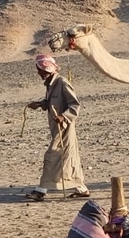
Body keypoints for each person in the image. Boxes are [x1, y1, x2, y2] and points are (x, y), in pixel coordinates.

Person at [24, 53, 91, 201]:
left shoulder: (62, 82)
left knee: (51, 156)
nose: (38, 73)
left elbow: (74, 105)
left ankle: (41, 190)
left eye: (40, 70)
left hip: (65, 128)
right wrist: (41, 104)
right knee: (69, 158)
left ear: (46, 69)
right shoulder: (51, 84)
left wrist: (64, 117)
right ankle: (82, 188)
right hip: (57, 128)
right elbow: (53, 102)